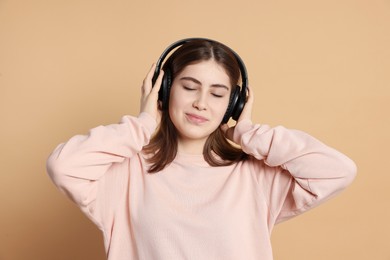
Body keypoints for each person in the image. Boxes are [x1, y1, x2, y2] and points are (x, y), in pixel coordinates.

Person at [47, 38, 357, 260]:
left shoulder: (255, 177)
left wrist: (249, 134)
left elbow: (338, 171)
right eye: (189, 87)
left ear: (234, 104)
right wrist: (141, 124)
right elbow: (64, 167)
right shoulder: (124, 173)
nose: (201, 103)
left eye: (218, 94)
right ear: (164, 89)